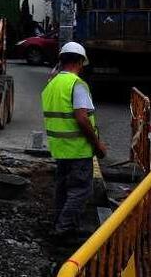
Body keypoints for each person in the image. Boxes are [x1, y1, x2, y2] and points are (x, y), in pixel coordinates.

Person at [41, 42, 107, 240]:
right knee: (79, 191)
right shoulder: (76, 84)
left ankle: (61, 225)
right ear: (79, 61)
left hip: (60, 149)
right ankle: (63, 230)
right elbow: (82, 118)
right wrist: (98, 145)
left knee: (63, 190)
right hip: (78, 149)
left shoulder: (52, 84)